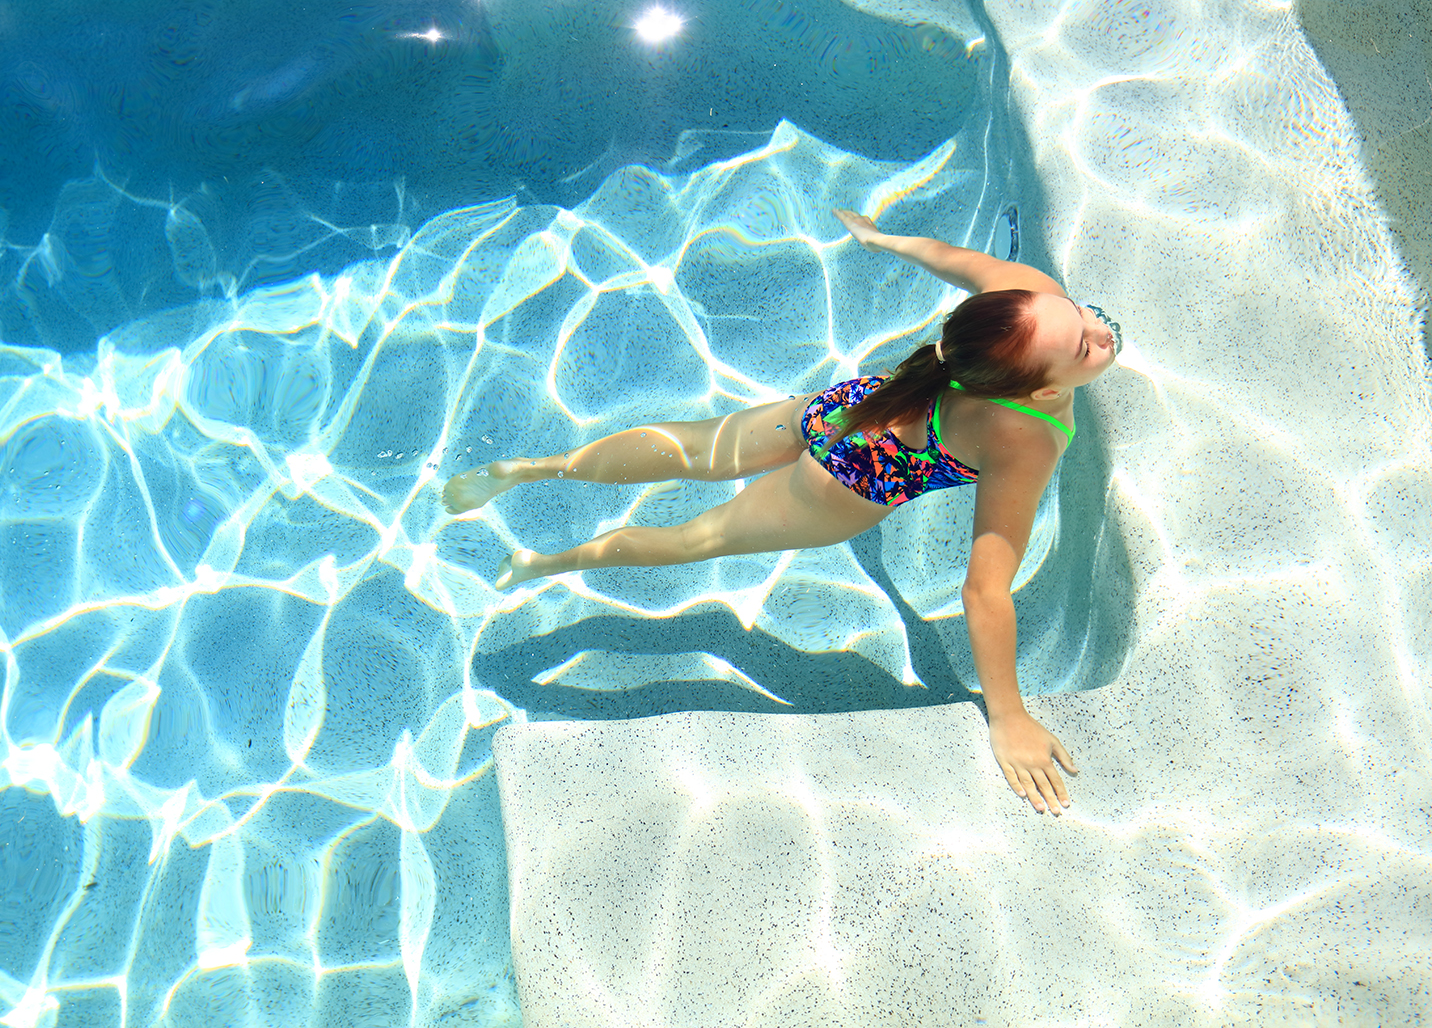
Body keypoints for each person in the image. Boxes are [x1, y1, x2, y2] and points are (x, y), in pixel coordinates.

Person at [442, 206, 1122, 816]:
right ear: (1038, 388)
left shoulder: (1027, 299)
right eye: (1083, 340)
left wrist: (881, 239)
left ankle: (538, 469)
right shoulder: (1028, 435)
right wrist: (1008, 715)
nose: (1099, 329)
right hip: (851, 483)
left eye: (1086, 325)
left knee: (697, 448)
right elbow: (984, 589)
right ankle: (546, 563)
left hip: (849, 405)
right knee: (698, 538)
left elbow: (955, 261)